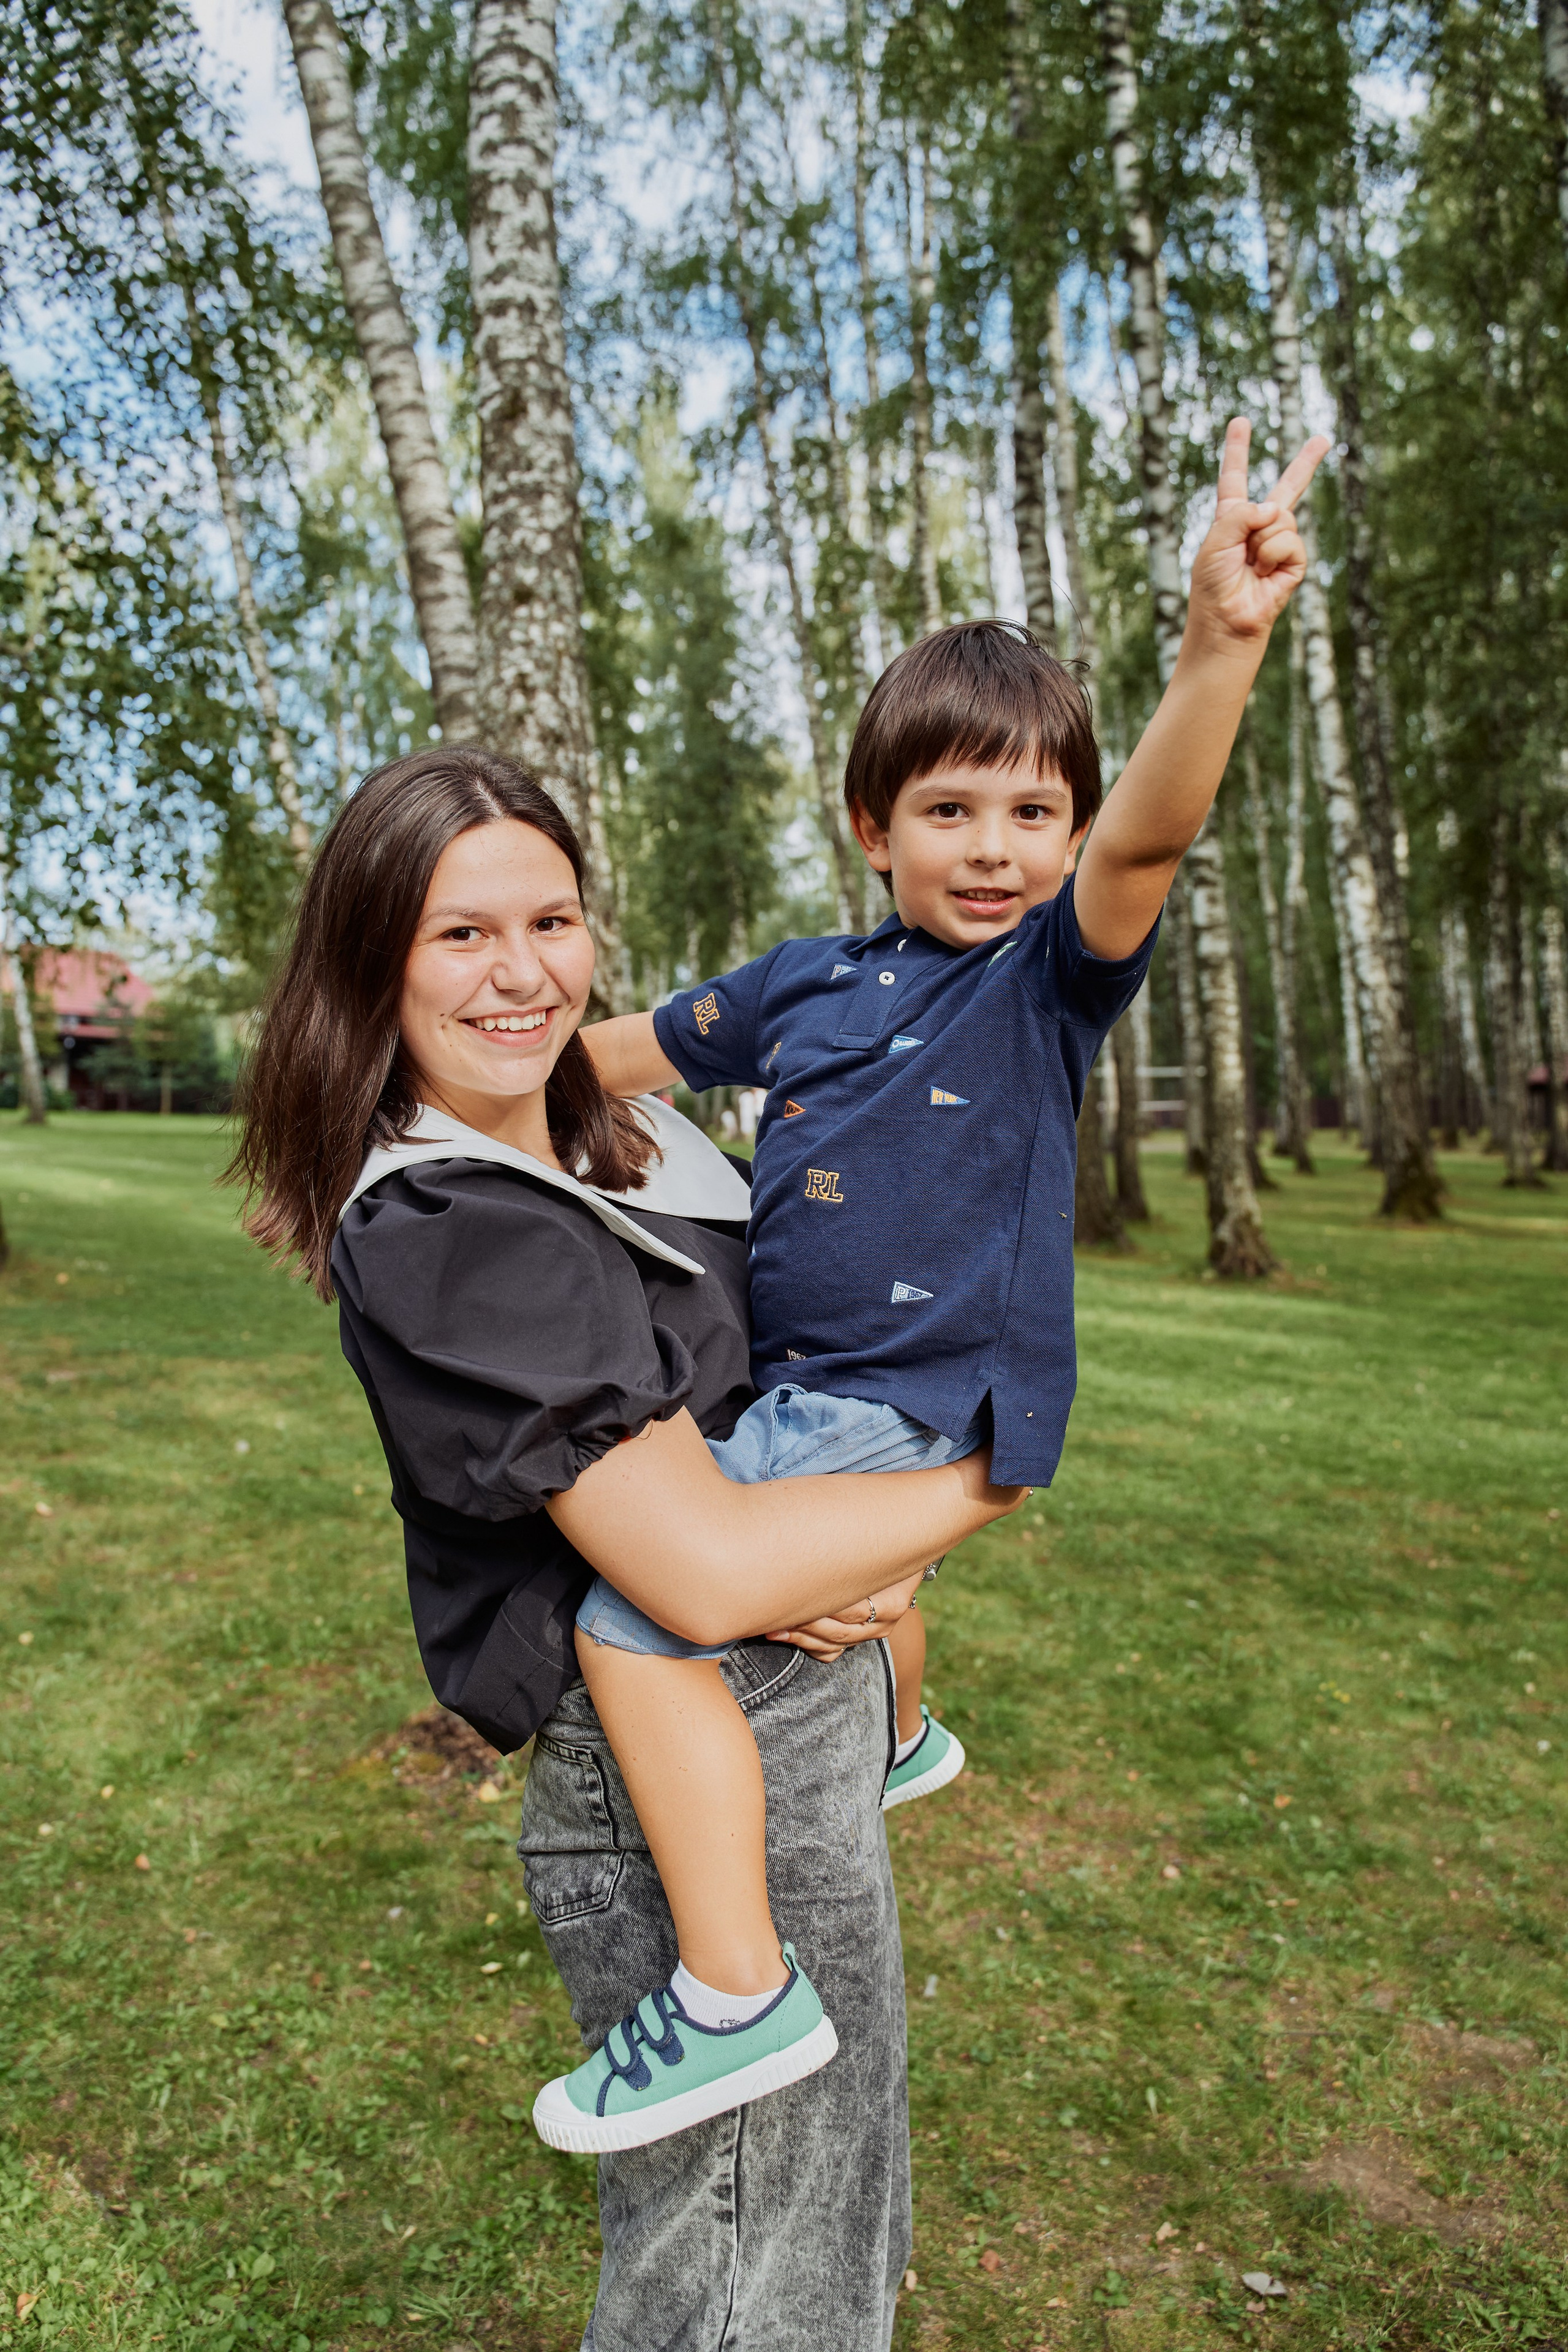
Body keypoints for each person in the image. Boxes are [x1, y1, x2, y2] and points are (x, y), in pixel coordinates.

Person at [557, 415, 1330, 2150]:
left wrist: (1221, 649)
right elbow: (586, 1066)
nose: (998, 845)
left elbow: (1149, 839)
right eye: (952, 808)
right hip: (805, 1386)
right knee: (838, 1596)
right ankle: (900, 1725)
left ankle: (735, 1997)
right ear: (871, 824)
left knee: (639, 1620)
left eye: (1033, 811)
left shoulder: (1051, 979)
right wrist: (401, 1100)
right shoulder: (797, 986)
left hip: (917, 1402)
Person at [227, 748, 1025, 2348]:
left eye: (555, 916)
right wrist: (993, 1475)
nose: (522, 971)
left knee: (825, 2209)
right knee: (741, 2269)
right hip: (668, 1755)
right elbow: (707, 1575)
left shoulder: (601, 1118)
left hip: (795, 1724)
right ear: (370, 956)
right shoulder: (455, 1227)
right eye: (460, 935)